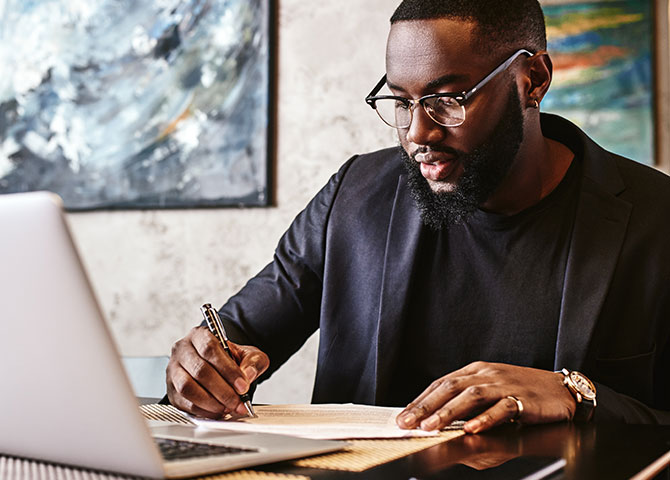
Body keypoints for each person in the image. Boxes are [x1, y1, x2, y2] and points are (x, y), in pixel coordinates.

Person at [166, 0, 670, 433]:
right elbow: (235, 339)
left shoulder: (655, 218)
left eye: (447, 100)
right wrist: (201, 370)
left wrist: (576, 395)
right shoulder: (354, 195)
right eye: (402, 102)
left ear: (531, 81)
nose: (417, 134)